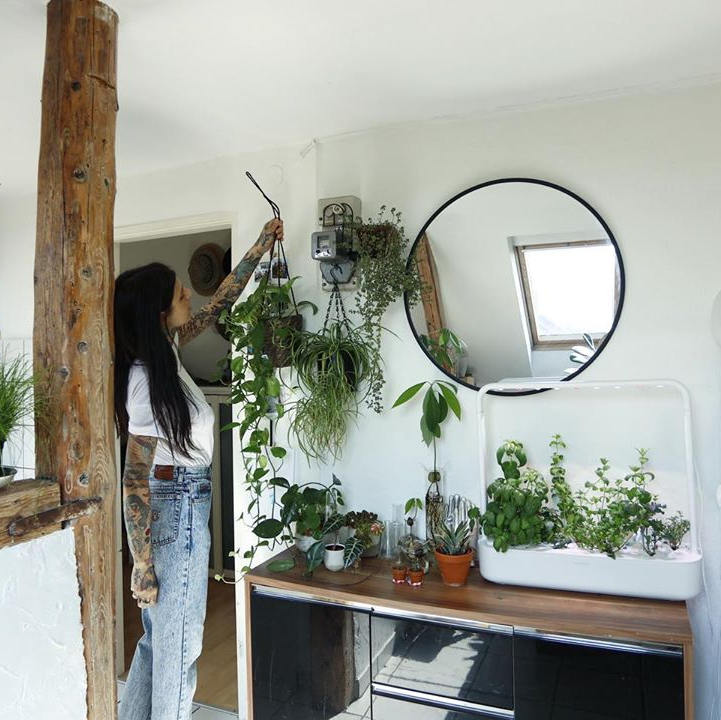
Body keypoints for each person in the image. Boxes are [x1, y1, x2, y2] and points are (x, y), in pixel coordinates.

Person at [115, 218, 283, 720]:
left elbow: (218, 305)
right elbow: (134, 481)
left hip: (183, 500)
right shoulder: (145, 380)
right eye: (179, 292)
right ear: (160, 310)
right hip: (176, 505)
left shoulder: (163, 350)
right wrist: (141, 566)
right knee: (181, 648)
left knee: (158, 643)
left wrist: (259, 246)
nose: (189, 294)